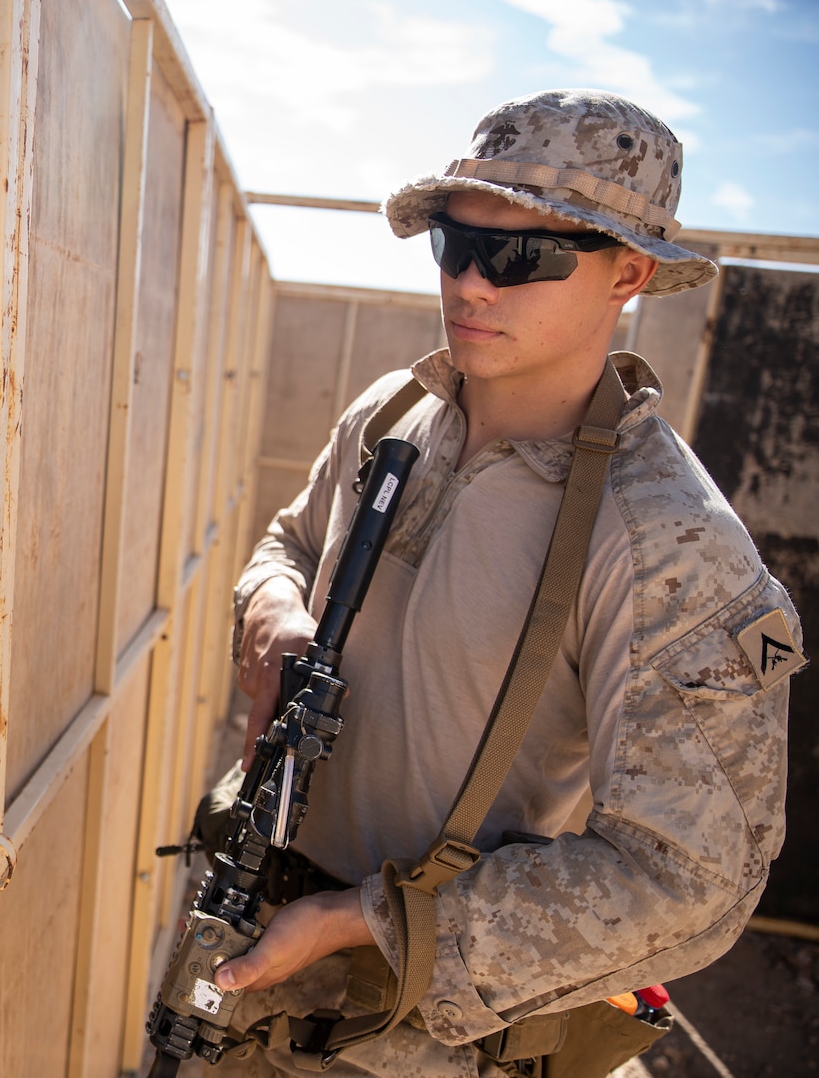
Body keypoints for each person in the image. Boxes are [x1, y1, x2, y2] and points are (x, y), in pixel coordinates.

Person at [208, 89, 803, 1076]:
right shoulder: (392, 414)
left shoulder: (666, 539)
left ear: (632, 275)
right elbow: (290, 542)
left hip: (428, 1036)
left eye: (526, 257)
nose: (473, 285)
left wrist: (360, 922)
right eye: (456, 244)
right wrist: (272, 611)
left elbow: (691, 880)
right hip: (262, 959)